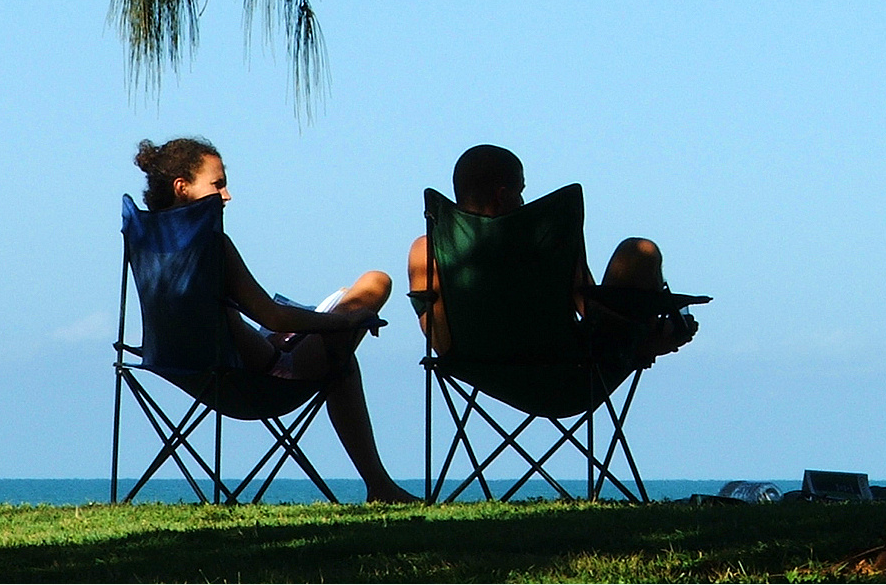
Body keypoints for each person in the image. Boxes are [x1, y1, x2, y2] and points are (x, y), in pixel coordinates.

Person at [133, 137, 417, 504]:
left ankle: (381, 486)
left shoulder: (149, 244)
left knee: (337, 339)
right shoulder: (212, 247)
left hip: (189, 370)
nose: (227, 195)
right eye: (217, 184)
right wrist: (344, 323)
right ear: (182, 188)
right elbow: (271, 315)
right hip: (263, 378)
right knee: (376, 283)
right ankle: (380, 486)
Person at [406, 144, 699, 362]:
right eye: (520, 191)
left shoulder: (427, 249)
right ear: (503, 195)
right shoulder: (546, 242)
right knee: (640, 252)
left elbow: (438, 338)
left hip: (475, 368)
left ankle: (648, 339)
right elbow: (592, 311)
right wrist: (636, 333)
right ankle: (653, 337)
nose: (522, 201)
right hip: (566, 375)